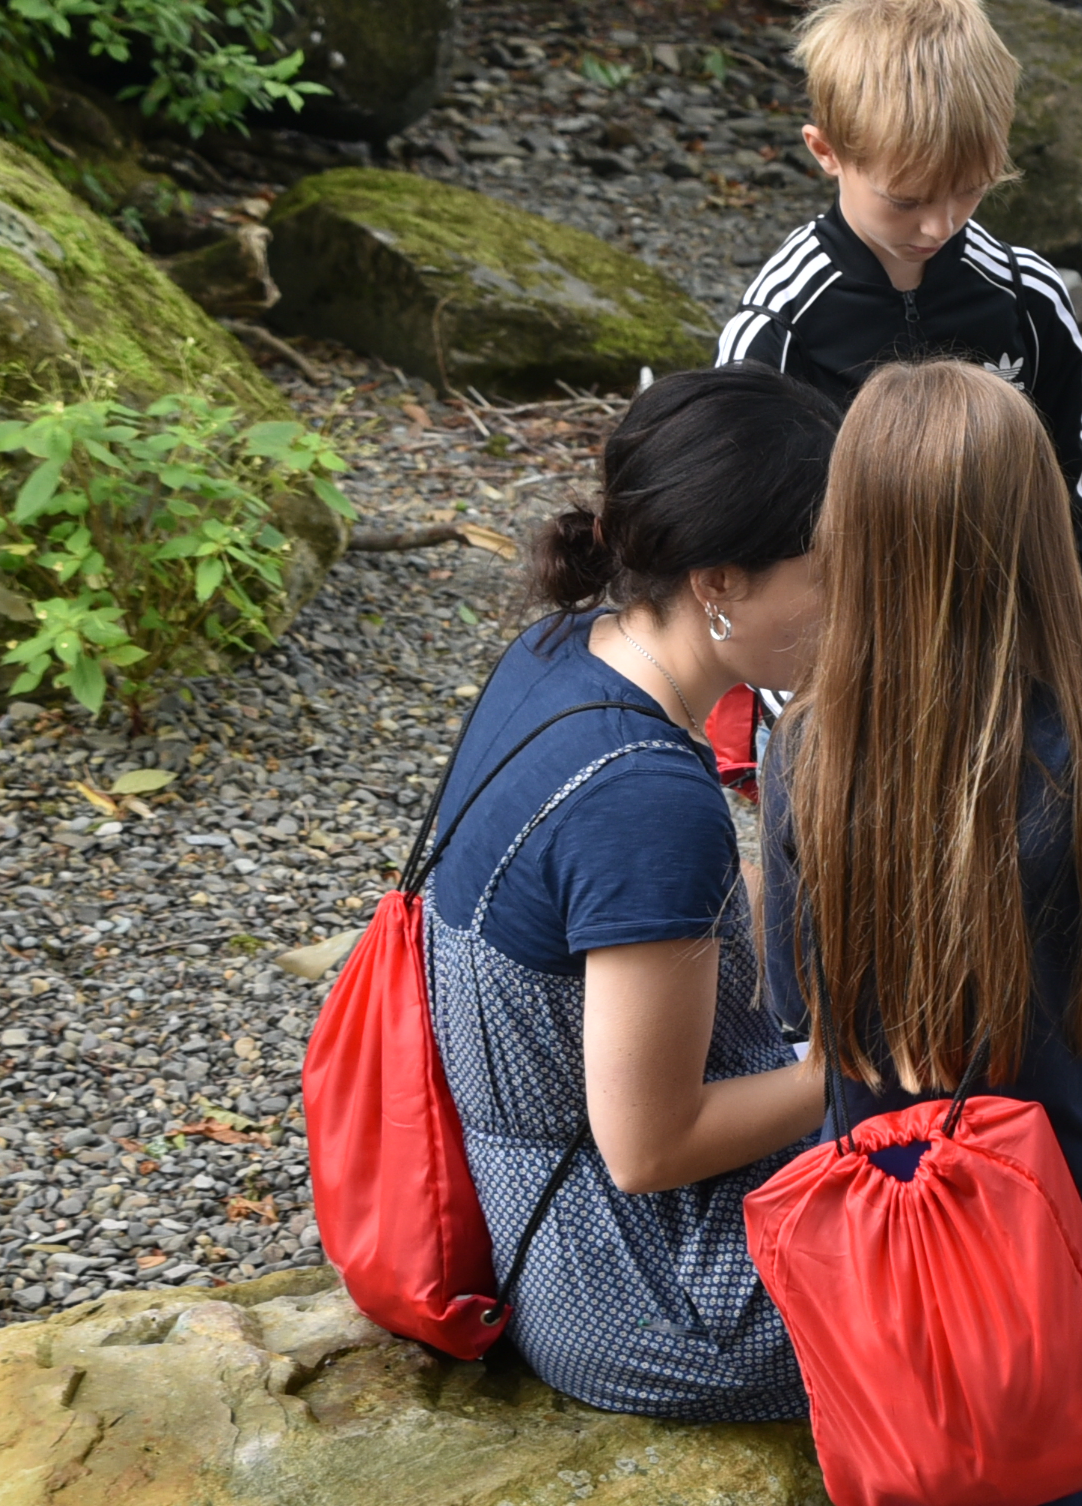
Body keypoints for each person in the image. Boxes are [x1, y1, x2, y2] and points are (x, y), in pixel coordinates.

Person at [759, 359, 1082, 1506]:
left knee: (921, 1445)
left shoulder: (804, 749)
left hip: (882, 1195)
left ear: (847, 532)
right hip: (1059, 1194)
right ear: (1038, 537)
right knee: (1060, 1450)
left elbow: (795, 1007)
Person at [422, 365, 837, 1418]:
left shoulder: (560, 652)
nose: (855, 600)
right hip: (642, 1286)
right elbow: (650, 1148)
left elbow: (628, 916)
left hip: (537, 1203)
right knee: (1044, 1236)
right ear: (720, 582)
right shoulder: (647, 796)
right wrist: (855, 1065)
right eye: (829, 570)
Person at [715, 0, 1082, 701]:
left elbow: (1076, 513)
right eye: (906, 200)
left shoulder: (1024, 297)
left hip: (1005, 669)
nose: (940, 226)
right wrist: (809, 725)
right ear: (825, 151)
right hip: (840, 688)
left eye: (970, 189)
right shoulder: (779, 326)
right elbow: (742, 562)